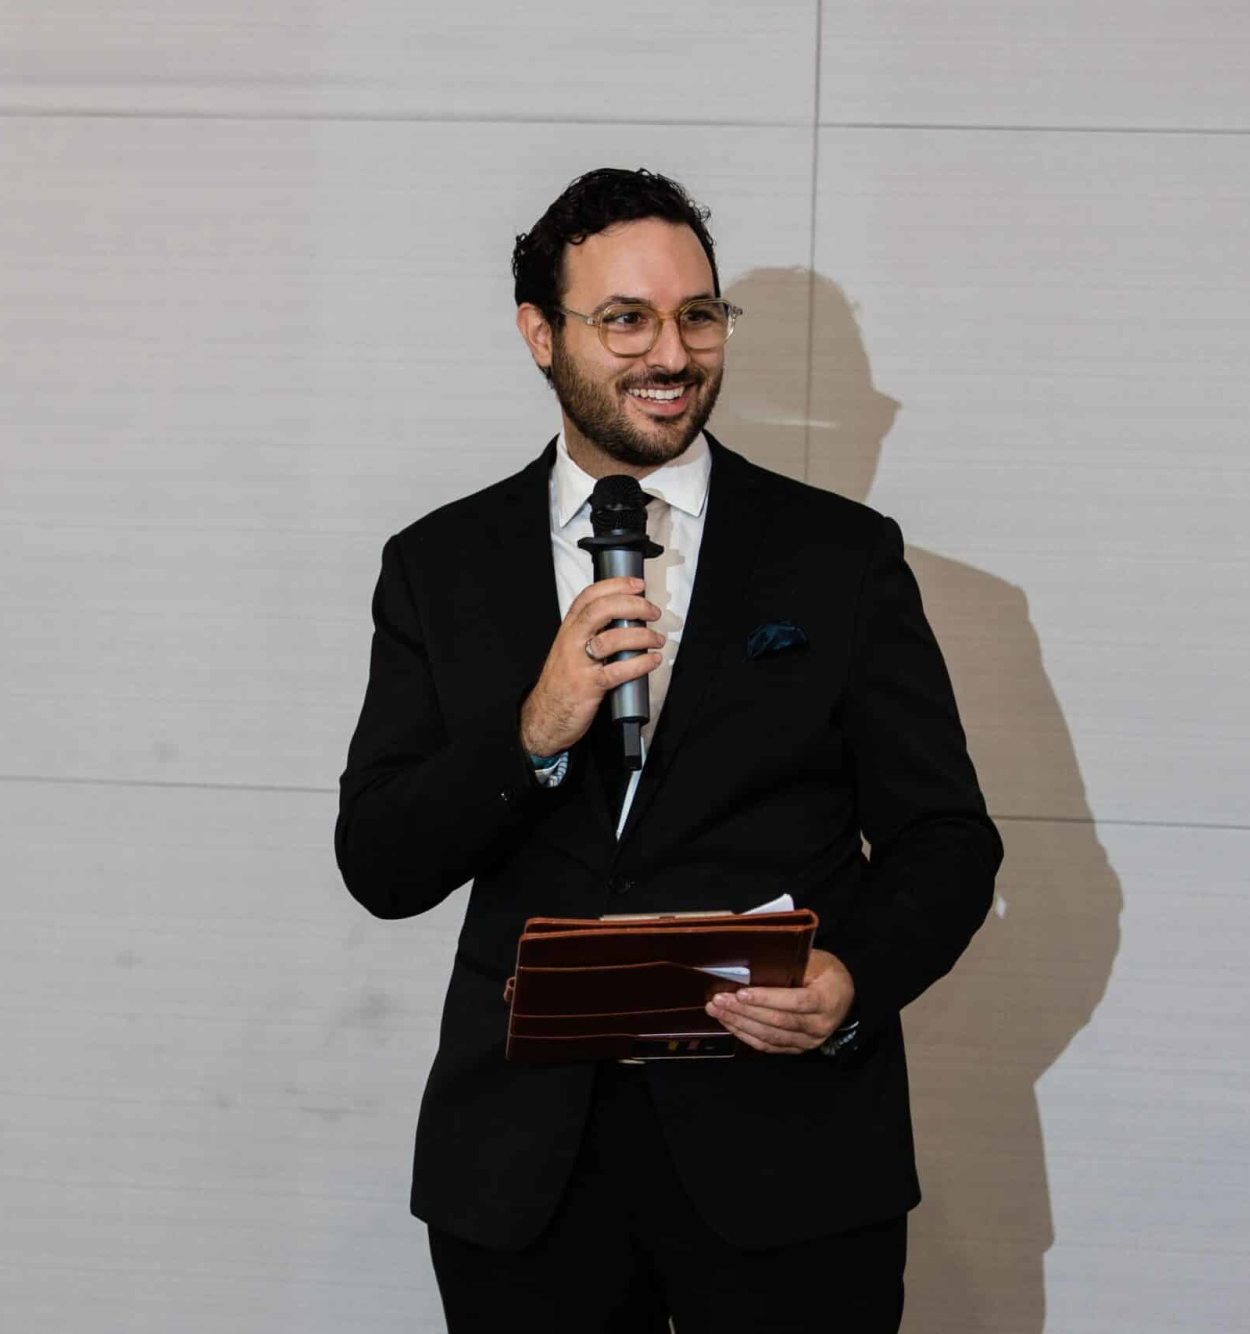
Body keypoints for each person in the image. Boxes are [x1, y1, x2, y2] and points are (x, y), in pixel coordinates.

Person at [334, 168, 1002, 1332]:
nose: (672, 353)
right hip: (523, 1174)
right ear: (539, 335)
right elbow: (382, 863)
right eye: (625, 318)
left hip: (788, 1162)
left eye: (698, 315)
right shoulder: (437, 564)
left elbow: (944, 838)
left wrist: (850, 979)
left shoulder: (838, 557)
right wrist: (532, 730)